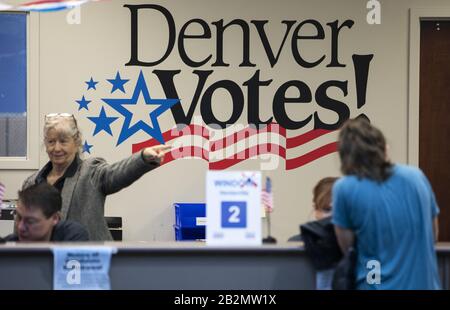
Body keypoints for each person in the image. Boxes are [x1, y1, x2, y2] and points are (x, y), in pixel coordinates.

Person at [22, 113, 170, 241]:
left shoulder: (90, 171)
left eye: (63, 141)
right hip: (45, 265)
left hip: (90, 263)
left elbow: (116, 174)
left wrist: (142, 158)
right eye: (51, 141)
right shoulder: (32, 183)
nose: (57, 148)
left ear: (76, 142)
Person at [332, 118, 441, 289]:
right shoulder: (416, 177)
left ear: (345, 157)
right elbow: (433, 234)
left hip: (374, 283)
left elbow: (347, 247)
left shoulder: (344, 188)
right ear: (383, 148)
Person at [4, 183, 89, 242]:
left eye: (30, 221)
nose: (20, 227)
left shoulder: (73, 236)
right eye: (19, 217)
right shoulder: (9, 243)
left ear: (55, 218)